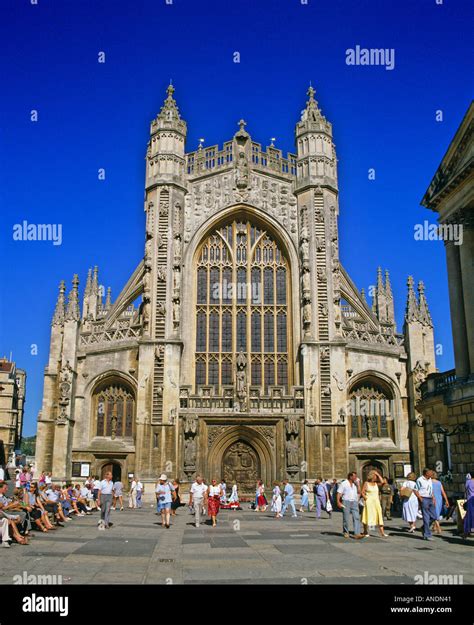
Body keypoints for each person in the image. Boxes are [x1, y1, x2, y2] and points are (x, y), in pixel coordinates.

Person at [336, 472, 365, 539]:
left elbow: (359, 492)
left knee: (357, 517)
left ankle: (357, 533)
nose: (356, 478)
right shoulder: (344, 483)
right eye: (354, 476)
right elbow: (339, 493)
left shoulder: (355, 484)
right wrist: (338, 502)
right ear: (350, 477)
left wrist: (358, 485)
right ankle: (346, 532)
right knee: (346, 518)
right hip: (346, 501)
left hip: (354, 502)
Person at [361, 470, 389, 538]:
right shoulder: (366, 483)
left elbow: (383, 482)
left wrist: (378, 474)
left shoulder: (376, 484)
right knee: (367, 516)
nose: (376, 477)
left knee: (379, 515)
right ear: (372, 477)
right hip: (369, 502)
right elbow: (362, 492)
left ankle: (382, 532)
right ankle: (365, 531)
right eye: (375, 476)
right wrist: (365, 498)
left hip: (376, 502)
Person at [414, 468, 437, 541]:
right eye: (430, 472)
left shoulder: (430, 479)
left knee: (434, 516)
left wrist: (433, 497)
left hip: (430, 498)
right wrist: (420, 498)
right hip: (424, 498)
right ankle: (427, 534)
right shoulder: (420, 480)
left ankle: (424, 528)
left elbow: (431, 489)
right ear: (426, 473)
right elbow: (415, 490)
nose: (432, 473)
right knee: (426, 517)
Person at [463, 472, 474, 539]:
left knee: (469, 515)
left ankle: (466, 531)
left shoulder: (468, 482)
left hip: (470, 500)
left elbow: (465, 490)